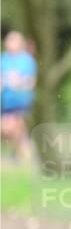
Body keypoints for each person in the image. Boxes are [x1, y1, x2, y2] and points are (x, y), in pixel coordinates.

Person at [1, 31, 37, 163]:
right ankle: (26, 153)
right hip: (6, 101)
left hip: (21, 100)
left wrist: (18, 83)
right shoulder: (3, 59)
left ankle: (22, 155)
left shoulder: (26, 60)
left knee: (9, 127)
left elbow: (30, 82)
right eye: (9, 40)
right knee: (15, 130)